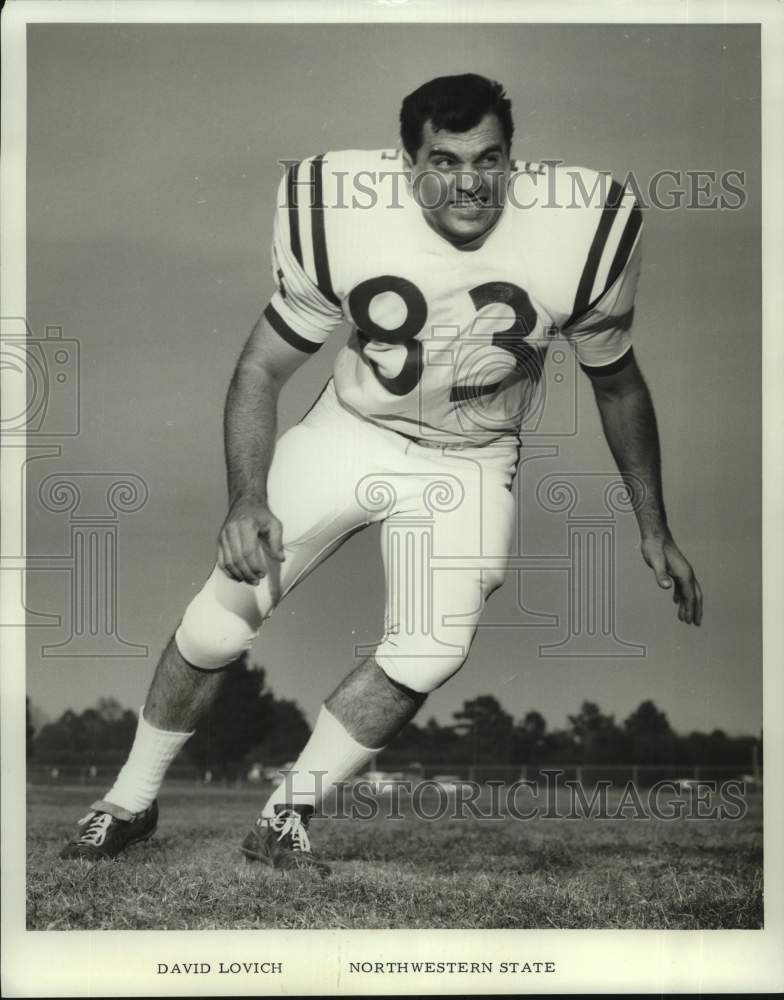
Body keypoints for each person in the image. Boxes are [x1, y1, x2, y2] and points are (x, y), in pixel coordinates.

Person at [60, 74, 702, 871]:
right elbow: (261, 369)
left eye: (489, 158)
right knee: (219, 617)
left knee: (429, 650)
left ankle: (283, 816)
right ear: (405, 163)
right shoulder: (342, 210)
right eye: (444, 159)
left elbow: (618, 382)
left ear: (514, 158)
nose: (469, 181)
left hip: (470, 459)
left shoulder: (586, 228)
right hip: (353, 428)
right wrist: (246, 496)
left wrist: (654, 526)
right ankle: (127, 799)